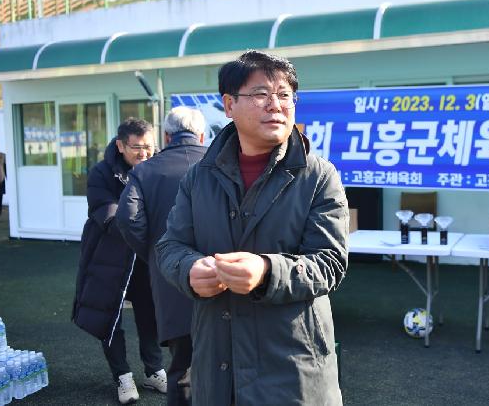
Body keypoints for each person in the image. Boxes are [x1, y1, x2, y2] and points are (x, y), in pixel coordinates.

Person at [156, 50, 349, 405]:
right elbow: (170, 246)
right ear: (229, 105)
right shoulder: (200, 177)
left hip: (293, 366)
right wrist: (188, 269)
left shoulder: (319, 175)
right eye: (261, 94)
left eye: (285, 95)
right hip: (218, 362)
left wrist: (266, 270)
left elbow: (331, 263)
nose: (275, 105)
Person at [72, 118, 167, 405]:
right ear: (120, 145)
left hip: (144, 259)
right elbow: (107, 213)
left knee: (150, 314)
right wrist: (148, 228)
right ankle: (122, 376)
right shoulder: (101, 173)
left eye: (149, 147)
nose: (144, 154)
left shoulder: (157, 168)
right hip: (108, 256)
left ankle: (154, 370)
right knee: (109, 316)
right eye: (136, 147)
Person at [117, 107, 207, 406]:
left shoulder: (144, 170)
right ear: (203, 135)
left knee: (181, 368)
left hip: (171, 279)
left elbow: (128, 219)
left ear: (167, 136)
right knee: (228, 364)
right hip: (223, 276)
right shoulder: (220, 163)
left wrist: (155, 255)